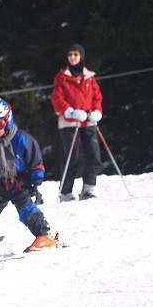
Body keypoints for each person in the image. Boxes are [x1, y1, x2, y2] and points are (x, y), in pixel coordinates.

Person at [0, 98, 60, 257]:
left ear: (8, 119)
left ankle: (44, 236)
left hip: (20, 181)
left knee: (27, 210)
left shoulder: (23, 140)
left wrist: (36, 182)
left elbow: (36, 164)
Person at [51, 43, 104, 202]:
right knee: (72, 157)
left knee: (94, 155)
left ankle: (88, 189)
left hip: (87, 121)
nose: (72, 57)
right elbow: (57, 98)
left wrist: (97, 112)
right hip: (70, 123)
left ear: (81, 56)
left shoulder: (89, 76)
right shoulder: (62, 77)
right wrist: (70, 111)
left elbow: (97, 97)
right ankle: (66, 193)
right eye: (70, 55)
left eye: (75, 54)